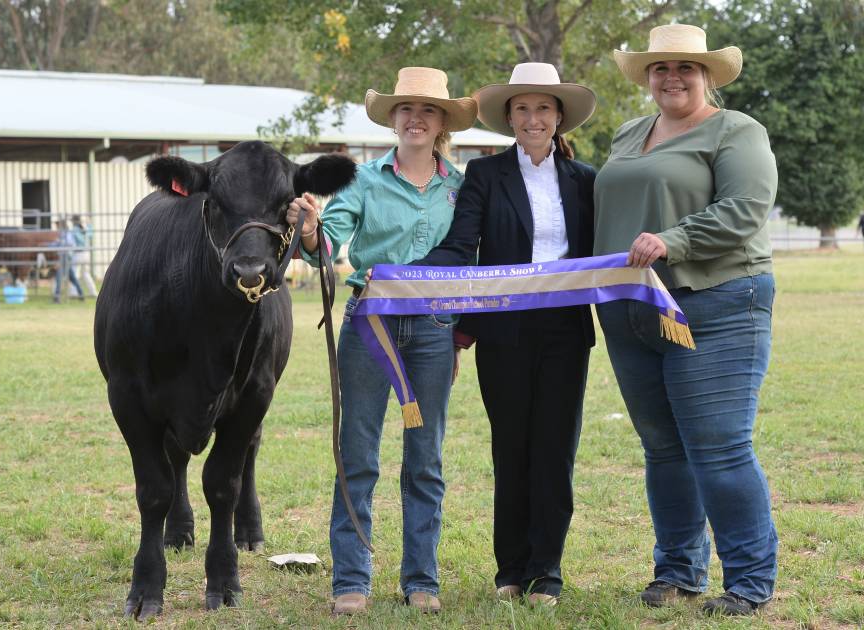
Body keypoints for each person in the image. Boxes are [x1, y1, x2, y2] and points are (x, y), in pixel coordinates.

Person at [594, 24, 779, 616]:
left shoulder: (736, 131)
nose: (671, 77)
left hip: (716, 301)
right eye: (660, 68)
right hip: (630, 307)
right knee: (662, 448)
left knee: (719, 448)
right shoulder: (629, 134)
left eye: (685, 68)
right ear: (647, 76)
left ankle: (749, 582)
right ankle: (677, 571)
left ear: (706, 76)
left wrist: (673, 240)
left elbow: (746, 209)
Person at [287, 67, 477, 616]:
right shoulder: (362, 181)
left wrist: (462, 334)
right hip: (370, 326)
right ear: (392, 119)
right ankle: (351, 579)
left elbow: (473, 259)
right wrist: (308, 229)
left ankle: (422, 580)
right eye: (406, 109)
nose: (415, 118)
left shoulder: (461, 188)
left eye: (428, 111)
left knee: (426, 459)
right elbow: (326, 245)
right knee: (358, 454)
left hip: (435, 330)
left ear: (442, 123)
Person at [411, 62, 597, 607]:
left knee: (554, 449)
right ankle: (510, 568)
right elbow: (460, 245)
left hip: (565, 331)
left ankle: (547, 570)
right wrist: (409, 273)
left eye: (543, 108)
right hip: (503, 333)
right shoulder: (486, 177)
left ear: (559, 117)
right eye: (522, 109)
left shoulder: (585, 180)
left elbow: (604, 250)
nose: (533, 118)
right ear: (509, 118)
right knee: (511, 447)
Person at [51, 219, 84, 303]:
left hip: (65, 257)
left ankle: (57, 297)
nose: (56, 228)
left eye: (57, 226)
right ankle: (81, 294)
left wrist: (60, 243)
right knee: (72, 278)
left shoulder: (67, 234)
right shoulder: (62, 235)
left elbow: (70, 244)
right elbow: (57, 244)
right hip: (64, 257)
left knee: (58, 277)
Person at [69, 214, 98, 298]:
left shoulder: (74, 230)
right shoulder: (85, 228)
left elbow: (74, 242)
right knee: (86, 274)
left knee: (75, 274)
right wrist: (89, 224)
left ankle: (74, 292)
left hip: (78, 254)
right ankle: (93, 291)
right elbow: (91, 234)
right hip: (86, 254)